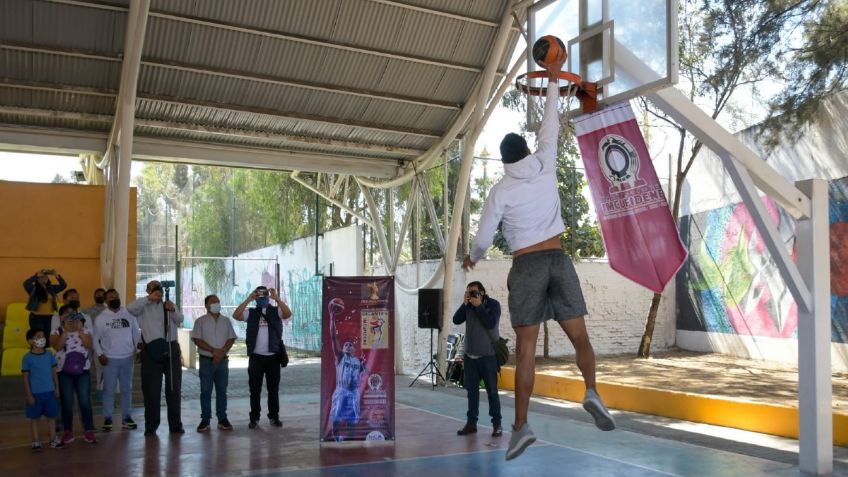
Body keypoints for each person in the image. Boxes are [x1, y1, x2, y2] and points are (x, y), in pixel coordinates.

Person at [462, 57, 615, 461]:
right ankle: (593, 392)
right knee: (580, 337)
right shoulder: (545, 161)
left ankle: (521, 427)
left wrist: (473, 258)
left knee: (526, 349)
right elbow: (550, 121)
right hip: (558, 259)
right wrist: (552, 79)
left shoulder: (500, 191)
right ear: (526, 151)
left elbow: (481, 238)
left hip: (527, 265)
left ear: (504, 162)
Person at [127, 280, 184, 436]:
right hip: (151, 350)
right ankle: (151, 425)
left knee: (174, 388)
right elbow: (129, 308)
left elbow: (180, 320)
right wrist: (149, 299)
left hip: (171, 348)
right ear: (148, 291)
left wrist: (172, 310)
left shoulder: (169, 304)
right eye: (153, 288)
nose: (157, 290)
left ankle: (175, 424)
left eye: (159, 287)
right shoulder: (142, 307)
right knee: (151, 390)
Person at [233, 286, 292, 429]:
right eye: (259, 297)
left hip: (273, 357)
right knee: (254, 390)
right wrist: (248, 299)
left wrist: (276, 298)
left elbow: (287, 313)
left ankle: (274, 416)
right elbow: (236, 315)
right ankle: (254, 418)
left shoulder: (275, 311)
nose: (262, 299)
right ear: (256, 299)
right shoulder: (251, 313)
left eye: (264, 296)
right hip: (256, 358)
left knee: (273, 390)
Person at [451, 281, 503, 438]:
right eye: (469, 292)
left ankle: (497, 425)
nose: (472, 295)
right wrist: (464, 303)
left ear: (482, 293)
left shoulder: (493, 305)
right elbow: (456, 319)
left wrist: (479, 306)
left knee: (492, 392)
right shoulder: (468, 306)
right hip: (470, 357)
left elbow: (490, 323)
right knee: (472, 393)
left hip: (488, 357)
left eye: (474, 292)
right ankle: (471, 423)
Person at [93, 289, 141, 431]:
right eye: (111, 297)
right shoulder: (101, 318)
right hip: (109, 360)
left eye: (116, 296)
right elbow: (96, 338)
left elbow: (136, 332)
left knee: (127, 389)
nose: (115, 298)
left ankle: (126, 417)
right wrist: (100, 354)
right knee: (109, 390)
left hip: (127, 358)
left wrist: (138, 350)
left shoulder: (128, 313)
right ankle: (108, 418)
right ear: (106, 301)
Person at [50, 305, 97, 445]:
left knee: (85, 401)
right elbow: (57, 346)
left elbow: (89, 345)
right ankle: (68, 431)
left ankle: (88, 431)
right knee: (67, 402)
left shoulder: (85, 329)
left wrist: (80, 329)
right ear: (61, 317)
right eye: (66, 314)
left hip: (82, 370)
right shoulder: (56, 331)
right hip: (64, 371)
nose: (70, 317)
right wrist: (65, 331)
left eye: (73, 314)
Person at [191, 294, 237, 432]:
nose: (216, 304)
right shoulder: (200, 321)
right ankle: (205, 420)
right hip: (206, 361)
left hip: (222, 361)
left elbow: (231, 338)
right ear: (206, 305)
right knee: (205, 391)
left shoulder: (226, 321)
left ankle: (222, 418)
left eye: (217, 301)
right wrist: (213, 351)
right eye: (213, 302)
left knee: (222, 391)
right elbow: (197, 340)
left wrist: (221, 352)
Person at [327, 299, 369, 442]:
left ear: (355, 349)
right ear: (343, 348)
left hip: (353, 393)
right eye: (346, 344)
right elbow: (333, 337)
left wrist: (364, 366)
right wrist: (332, 318)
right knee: (337, 418)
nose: (349, 346)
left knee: (352, 420)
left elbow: (366, 374)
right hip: (341, 391)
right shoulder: (340, 357)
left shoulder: (358, 361)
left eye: (351, 345)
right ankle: (335, 437)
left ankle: (350, 438)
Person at [21, 328, 63, 450]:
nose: (42, 339)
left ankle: (53, 439)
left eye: (43, 336)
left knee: (51, 417)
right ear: (30, 341)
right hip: (35, 394)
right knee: (34, 418)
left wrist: (57, 388)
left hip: (49, 392)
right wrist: (29, 395)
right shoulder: (27, 358)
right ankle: (36, 441)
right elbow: (25, 378)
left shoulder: (49, 354)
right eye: (38, 336)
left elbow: (54, 372)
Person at [23, 269, 66, 333]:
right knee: (39, 336)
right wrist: (36, 276)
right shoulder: (33, 288)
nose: (44, 278)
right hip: (36, 317)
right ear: (37, 279)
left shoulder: (51, 288)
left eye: (46, 277)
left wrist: (56, 275)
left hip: (49, 317)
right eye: (41, 277)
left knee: (48, 337)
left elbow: (63, 285)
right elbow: (26, 284)